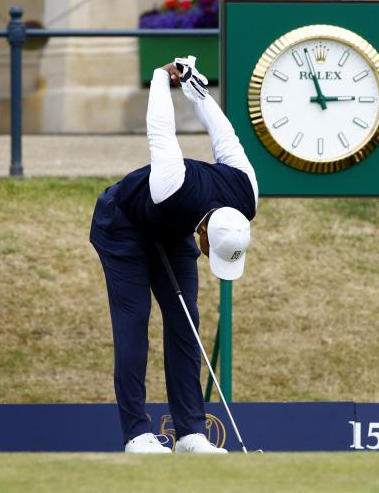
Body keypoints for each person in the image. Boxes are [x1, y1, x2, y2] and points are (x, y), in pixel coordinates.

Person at [89, 57, 258, 454]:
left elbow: (225, 135)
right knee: (134, 321)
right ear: (204, 233)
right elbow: (161, 130)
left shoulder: (246, 195)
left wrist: (198, 92)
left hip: (173, 225)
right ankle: (135, 434)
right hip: (123, 223)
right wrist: (162, 81)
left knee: (186, 322)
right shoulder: (170, 184)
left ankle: (191, 434)